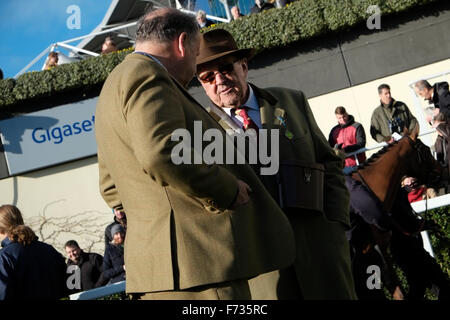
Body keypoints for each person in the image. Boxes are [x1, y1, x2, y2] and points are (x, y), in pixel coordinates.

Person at [95, 8, 295, 300]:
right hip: (200, 269)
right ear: (182, 43)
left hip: (158, 273)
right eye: (195, 53)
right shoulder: (149, 76)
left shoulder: (113, 86)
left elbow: (110, 188)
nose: (194, 65)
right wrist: (226, 189)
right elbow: (161, 152)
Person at [196, 29, 356, 299]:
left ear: (243, 66)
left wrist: (336, 225)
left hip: (322, 252)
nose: (220, 80)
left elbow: (329, 162)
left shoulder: (291, 101)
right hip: (264, 271)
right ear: (201, 84)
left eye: (225, 68)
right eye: (208, 77)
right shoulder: (200, 133)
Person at [0, 205, 67, 300]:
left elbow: (3, 295)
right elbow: (66, 284)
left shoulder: (4, 257)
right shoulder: (48, 249)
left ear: (1, 229)